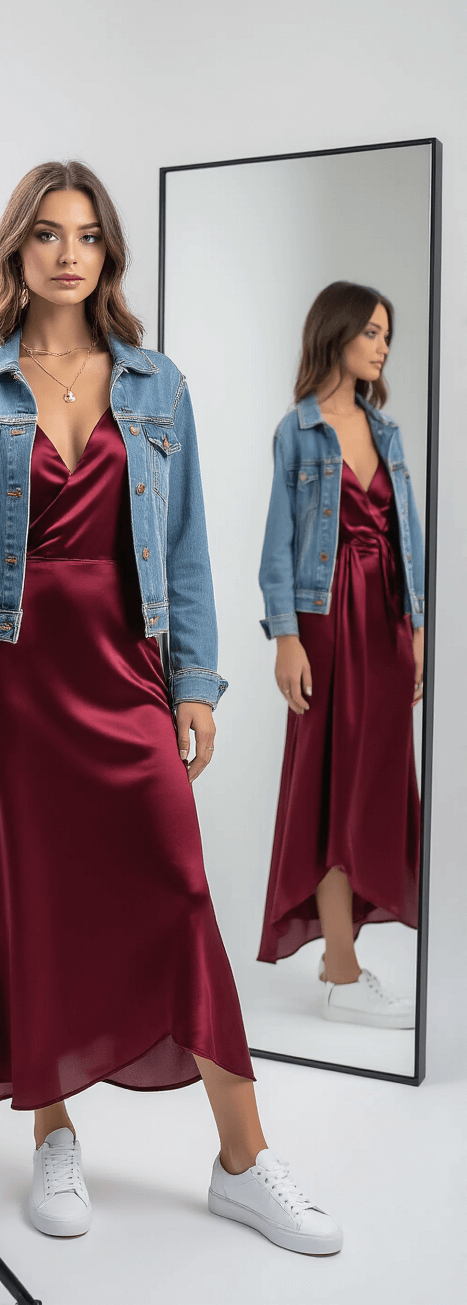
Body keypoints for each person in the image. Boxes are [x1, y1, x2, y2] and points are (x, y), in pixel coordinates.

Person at [0, 160, 342, 1254]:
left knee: (180, 894)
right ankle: (53, 1132)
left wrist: (193, 682)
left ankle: (242, 1161)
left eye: (88, 234)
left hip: (124, 671)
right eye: (48, 233)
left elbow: (185, 545)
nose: (69, 253)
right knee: (39, 904)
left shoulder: (157, 385)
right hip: (16, 681)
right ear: (17, 251)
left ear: (108, 253)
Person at [256, 282, 424, 1028]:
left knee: (374, 791)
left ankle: (339, 962)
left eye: (388, 335)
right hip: (325, 623)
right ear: (338, 332)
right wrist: (286, 637)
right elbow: (278, 544)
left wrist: (419, 629)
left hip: (385, 623)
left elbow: (407, 536)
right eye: (373, 332)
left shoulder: (387, 434)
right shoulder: (297, 431)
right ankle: (343, 972)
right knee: (328, 791)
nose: (383, 346)